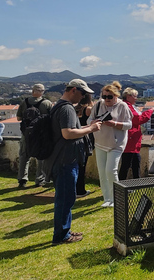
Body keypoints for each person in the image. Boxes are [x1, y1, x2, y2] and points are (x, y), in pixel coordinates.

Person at [48, 79, 101, 245]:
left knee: (66, 197)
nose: (83, 97)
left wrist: (86, 127)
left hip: (61, 159)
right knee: (65, 199)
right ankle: (61, 236)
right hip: (65, 160)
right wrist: (91, 129)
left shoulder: (59, 106)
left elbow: (69, 131)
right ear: (74, 90)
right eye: (82, 93)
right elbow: (68, 133)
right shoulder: (67, 109)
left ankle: (65, 230)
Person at [88, 81, 131, 208]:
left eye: (109, 97)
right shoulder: (98, 105)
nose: (106, 99)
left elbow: (129, 124)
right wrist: (94, 122)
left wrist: (114, 124)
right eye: (104, 96)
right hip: (100, 141)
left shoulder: (122, 106)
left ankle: (117, 198)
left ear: (116, 96)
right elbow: (89, 120)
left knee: (111, 171)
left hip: (116, 143)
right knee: (102, 172)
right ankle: (107, 198)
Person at [16, 84, 53, 188]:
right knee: (41, 157)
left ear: (32, 91)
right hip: (41, 134)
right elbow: (52, 118)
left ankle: (22, 180)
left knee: (24, 156)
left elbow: (18, 118)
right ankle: (39, 180)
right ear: (42, 92)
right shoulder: (46, 103)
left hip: (26, 134)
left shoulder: (24, 102)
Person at [119, 87, 154, 180]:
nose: (136, 98)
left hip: (132, 140)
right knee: (127, 164)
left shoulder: (127, 106)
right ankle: (121, 185)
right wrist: (150, 111)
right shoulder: (127, 107)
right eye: (135, 96)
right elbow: (139, 119)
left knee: (135, 162)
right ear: (128, 96)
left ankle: (135, 183)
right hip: (130, 140)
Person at [74, 93, 95, 197]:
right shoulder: (88, 109)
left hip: (76, 137)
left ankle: (75, 188)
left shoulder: (74, 108)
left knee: (76, 165)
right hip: (86, 138)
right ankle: (80, 190)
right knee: (82, 165)